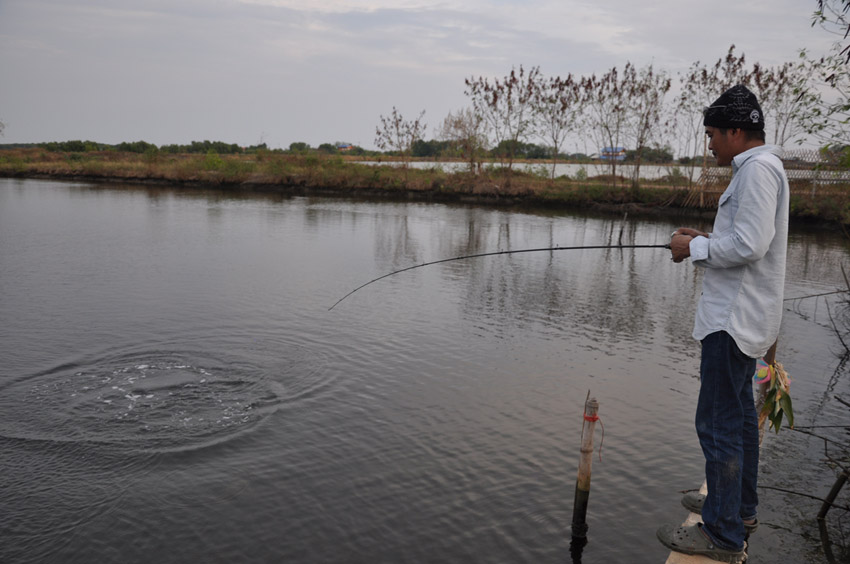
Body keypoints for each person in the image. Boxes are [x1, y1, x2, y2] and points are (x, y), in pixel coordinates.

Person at [656, 84, 789, 562]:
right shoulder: (764, 169)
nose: (710, 142)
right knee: (735, 420)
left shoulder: (756, 171)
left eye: (713, 133)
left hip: (731, 323)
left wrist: (693, 248)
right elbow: (747, 240)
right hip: (745, 317)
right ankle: (737, 508)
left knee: (717, 424)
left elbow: (750, 246)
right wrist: (707, 239)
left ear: (737, 130)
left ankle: (723, 533)